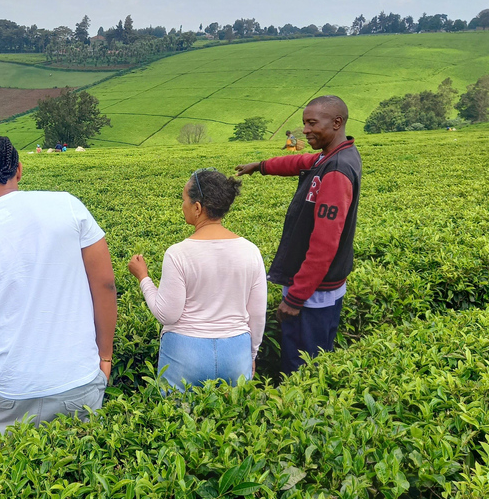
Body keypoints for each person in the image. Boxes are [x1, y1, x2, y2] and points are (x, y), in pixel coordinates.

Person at [0, 136, 117, 447]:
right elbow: (105, 285)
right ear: (19, 170)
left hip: (6, 395)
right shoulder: (69, 206)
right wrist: (104, 358)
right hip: (78, 383)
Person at [235, 95, 362, 375]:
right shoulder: (330, 156)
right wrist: (261, 166)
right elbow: (300, 162)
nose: (305, 130)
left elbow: (324, 244)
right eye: (305, 123)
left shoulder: (337, 170)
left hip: (314, 293)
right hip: (313, 288)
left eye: (312, 123)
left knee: (303, 363)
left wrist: (295, 298)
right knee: (304, 355)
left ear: (337, 122)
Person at [127, 169, 267, 391]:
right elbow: (257, 314)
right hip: (236, 350)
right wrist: (251, 354)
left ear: (198, 208)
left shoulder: (178, 253)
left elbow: (167, 314)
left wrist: (143, 277)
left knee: (176, 418)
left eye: (184, 200)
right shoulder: (251, 251)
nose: (182, 205)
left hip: (185, 353)